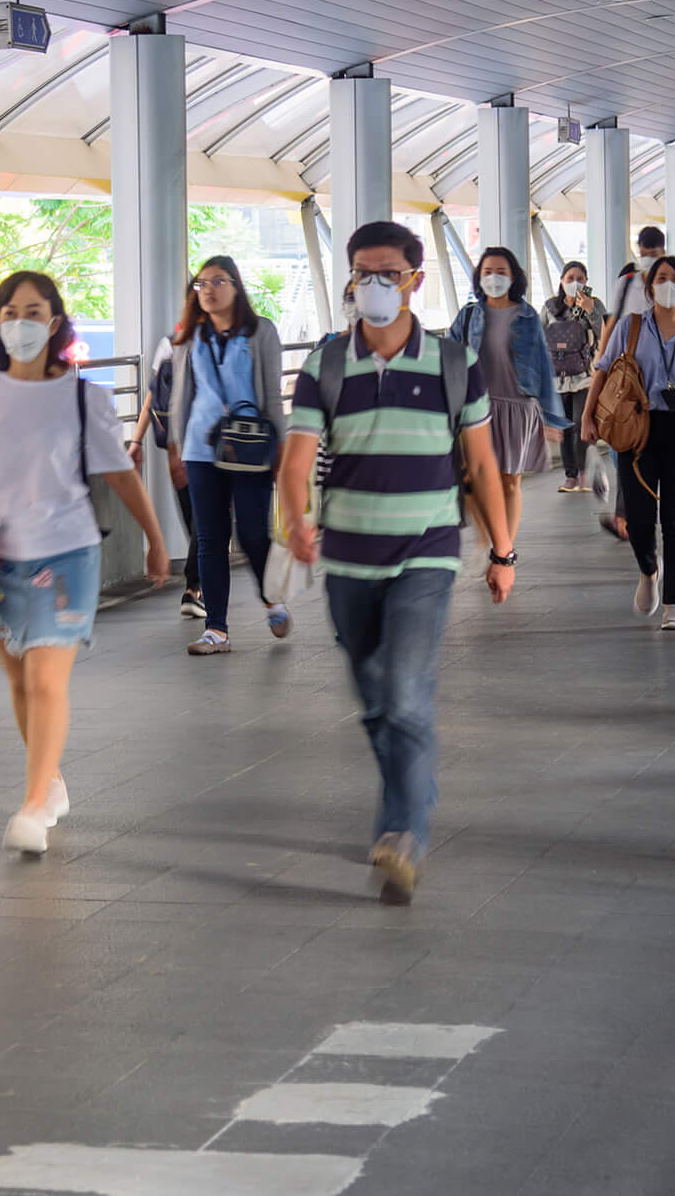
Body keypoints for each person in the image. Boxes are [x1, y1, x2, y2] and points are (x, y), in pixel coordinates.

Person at [280, 221, 515, 904]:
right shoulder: (324, 364)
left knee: (407, 694)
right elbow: (295, 462)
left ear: (417, 278)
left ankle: (403, 832)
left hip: (426, 550)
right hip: (348, 556)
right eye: (362, 273)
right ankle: (413, 788)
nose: (373, 285)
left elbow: (480, 462)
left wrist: (502, 551)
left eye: (388, 272)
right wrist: (297, 521)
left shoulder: (450, 362)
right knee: (376, 702)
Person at [0, 271, 169, 854]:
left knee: (45, 681)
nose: (22, 323)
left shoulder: (81, 397)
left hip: (66, 551)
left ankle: (32, 804)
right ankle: (52, 780)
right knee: (19, 681)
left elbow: (118, 471)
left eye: (35, 312)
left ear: (55, 322)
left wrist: (156, 536)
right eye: (11, 312)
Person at [581, 254, 675, 631]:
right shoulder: (631, 328)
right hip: (636, 428)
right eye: (661, 278)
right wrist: (587, 416)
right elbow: (602, 370)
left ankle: (674, 605)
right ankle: (648, 569)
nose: (669, 285)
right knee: (640, 518)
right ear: (649, 288)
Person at [167, 255, 289, 655]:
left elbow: (271, 394)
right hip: (202, 449)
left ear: (236, 286)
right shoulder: (189, 336)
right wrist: (176, 448)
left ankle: (271, 599)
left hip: (251, 447)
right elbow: (182, 396)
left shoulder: (260, 332)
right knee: (210, 538)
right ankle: (216, 629)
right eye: (201, 283)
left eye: (218, 281)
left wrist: (282, 450)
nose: (208, 290)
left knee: (254, 534)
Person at [449, 245, 566, 544]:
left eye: (501, 272)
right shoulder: (469, 315)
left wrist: (550, 417)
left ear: (514, 277)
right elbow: (448, 356)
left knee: (510, 482)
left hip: (517, 407)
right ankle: (486, 537)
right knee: (473, 479)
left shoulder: (527, 316)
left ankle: (504, 551)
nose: (494, 277)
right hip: (477, 409)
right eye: (488, 272)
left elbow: (542, 363)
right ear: (478, 276)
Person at [126, 331, 204, 620]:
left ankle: (195, 586)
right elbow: (157, 395)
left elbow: (152, 396)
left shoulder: (169, 344)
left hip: (177, 446)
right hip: (206, 445)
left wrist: (137, 440)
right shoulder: (213, 340)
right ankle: (193, 585)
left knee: (195, 516)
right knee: (205, 519)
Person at [544, 261, 605, 493]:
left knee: (582, 422)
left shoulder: (594, 304)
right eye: (570, 278)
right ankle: (570, 476)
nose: (575, 282)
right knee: (565, 426)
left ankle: (583, 472)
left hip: (584, 375)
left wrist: (590, 309)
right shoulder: (551, 306)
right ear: (561, 281)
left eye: (580, 278)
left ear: (587, 282)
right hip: (557, 378)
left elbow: (604, 333)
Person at [605, 225, 669, 330]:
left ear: (663, 253)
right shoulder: (625, 283)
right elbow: (611, 323)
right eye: (644, 255)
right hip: (630, 345)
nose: (648, 259)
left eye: (653, 254)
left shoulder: (673, 285)